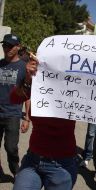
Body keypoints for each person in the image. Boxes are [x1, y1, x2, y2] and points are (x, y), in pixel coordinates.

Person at [10, 53, 78, 190]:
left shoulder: (75, 85)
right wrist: (27, 79)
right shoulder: (39, 82)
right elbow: (14, 99)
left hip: (61, 164)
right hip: (33, 158)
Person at [0, 33, 30, 178]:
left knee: (11, 147)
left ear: (18, 47)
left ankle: (16, 171)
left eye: (10, 46)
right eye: (4, 45)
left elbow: (27, 95)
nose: (7, 48)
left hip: (12, 114)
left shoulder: (24, 68)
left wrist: (27, 118)